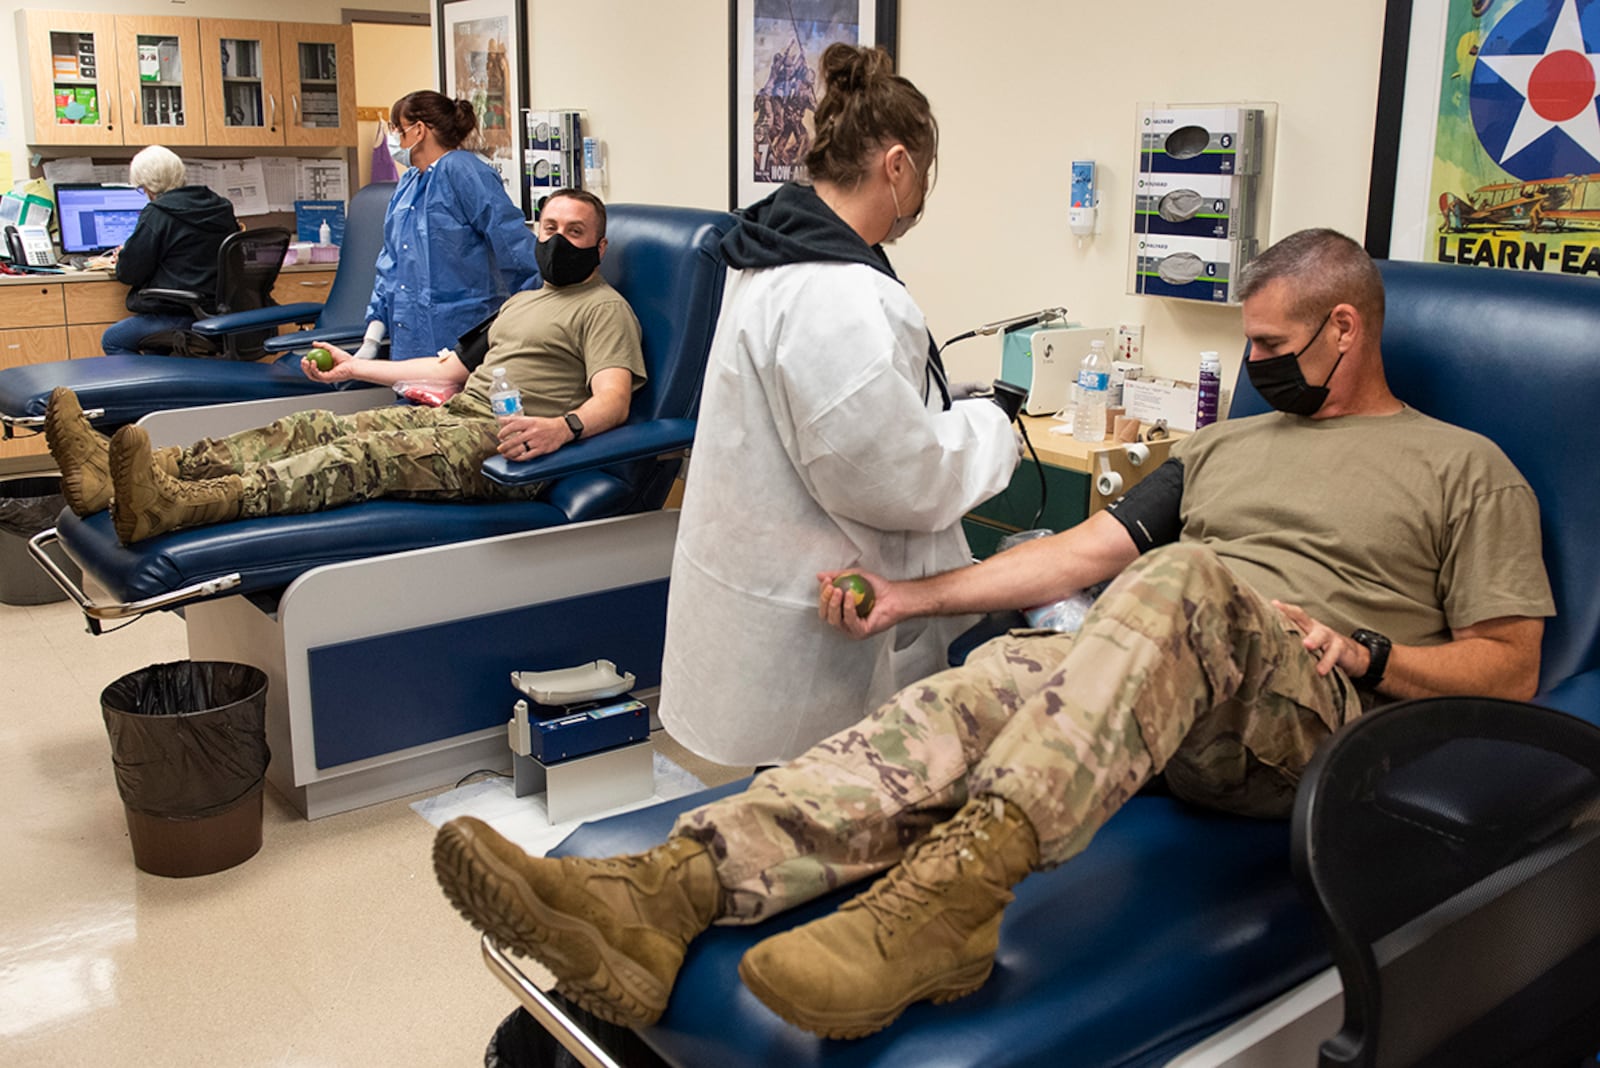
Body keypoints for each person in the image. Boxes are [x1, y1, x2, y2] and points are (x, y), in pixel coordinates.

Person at [430, 228, 1554, 1039]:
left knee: (1180, 579)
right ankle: (664, 891)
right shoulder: (1222, 451)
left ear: (1343, 327)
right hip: (1163, 676)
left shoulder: (1461, 467)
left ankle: (956, 901)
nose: (1256, 364)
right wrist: (914, 597)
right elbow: (1080, 555)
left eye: (1271, 342)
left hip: (1311, 721)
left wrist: (1367, 651)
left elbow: (1511, 668)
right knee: (989, 677)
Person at [658, 43, 1019, 768]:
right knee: (824, 798)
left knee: (782, 792)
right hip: (813, 612)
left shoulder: (768, 255)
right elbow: (894, 479)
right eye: (923, 176)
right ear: (896, 165)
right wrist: (989, 427)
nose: (920, 197)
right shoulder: (839, 294)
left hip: (765, 573)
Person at [44, 190, 641, 546]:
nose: (559, 239)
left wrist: (562, 429)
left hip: (512, 447)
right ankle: (132, 472)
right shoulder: (521, 301)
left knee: (355, 458)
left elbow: (612, 400)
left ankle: (179, 504)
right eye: (550, 227)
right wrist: (356, 366)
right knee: (312, 427)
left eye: (576, 232)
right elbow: (446, 372)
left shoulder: (603, 309)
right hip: (457, 417)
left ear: (599, 247)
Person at [357, 89, 541, 363]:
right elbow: (391, 265)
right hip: (409, 340)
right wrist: (371, 340)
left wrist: (537, 317)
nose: (394, 138)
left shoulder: (465, 172)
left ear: (419, 131)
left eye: (397, 129)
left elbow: (513, 247)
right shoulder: (408, 184)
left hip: (462, 334)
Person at [101, 146, 240, 355]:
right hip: (222, 313)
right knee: (156, 346)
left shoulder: (158, 213)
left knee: (113, 339)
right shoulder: (221, 207)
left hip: (177, 315)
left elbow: (129, 272)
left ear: (149, 185)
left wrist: (123, 255)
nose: (145, 193)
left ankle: (152, 387)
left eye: (142, 188)